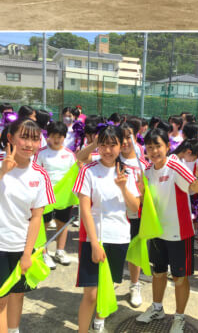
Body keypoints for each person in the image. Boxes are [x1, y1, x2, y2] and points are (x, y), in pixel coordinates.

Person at [0, 119, 53, 333]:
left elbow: (36, 218)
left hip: (21, 247)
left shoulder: (40, 175)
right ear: (10, 138)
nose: (29, 144)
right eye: (23, 137)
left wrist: (26, 254)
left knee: (17, 295)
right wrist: (2, 172)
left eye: (34, 139)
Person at [136, 128, 198, 333]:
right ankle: (157, 308)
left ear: (167, 147)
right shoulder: (148, 172)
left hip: (179, 233)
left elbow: (196, 188)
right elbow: (146, 203)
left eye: (158, 146)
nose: (154, 151)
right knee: (158, 273)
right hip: (157, 232)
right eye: (149, 147)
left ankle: (179, 317)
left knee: (180, 278)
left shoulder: (176, 166)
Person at [74, 126, 141, 333]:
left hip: (119, 238)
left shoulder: (127, 173)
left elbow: (135, 208)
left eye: (113, 145)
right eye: (103, 144)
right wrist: (94, 243)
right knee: (91, 294)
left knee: (106, 287)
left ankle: (100, 321)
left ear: (122, 145)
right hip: (95, 239)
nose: (108, 150)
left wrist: (122, 187)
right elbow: (85, 209)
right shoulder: (88, 170)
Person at [36, 121, 75, 270]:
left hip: (64, 196)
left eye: (60, 136)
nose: (57, 139)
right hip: (45, 195)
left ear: (64, 137)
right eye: (53, 136)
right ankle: (43, 252)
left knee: (62, 223)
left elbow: (74, 174)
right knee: (43, 224)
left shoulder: (69, 154)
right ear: (48, 136)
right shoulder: (41, 153)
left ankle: (60, 251)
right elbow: (36, 172)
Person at [120, 123, 148, 307]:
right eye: (120, 138)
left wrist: (143, 191)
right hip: (112, 216)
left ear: (136, 138)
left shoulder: (143, 165)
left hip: (135, 215)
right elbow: (80, 159)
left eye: (128, 137)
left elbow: (147, 197)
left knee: (134, 253)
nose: (124, 142)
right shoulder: (109, 159)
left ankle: (134, 285)